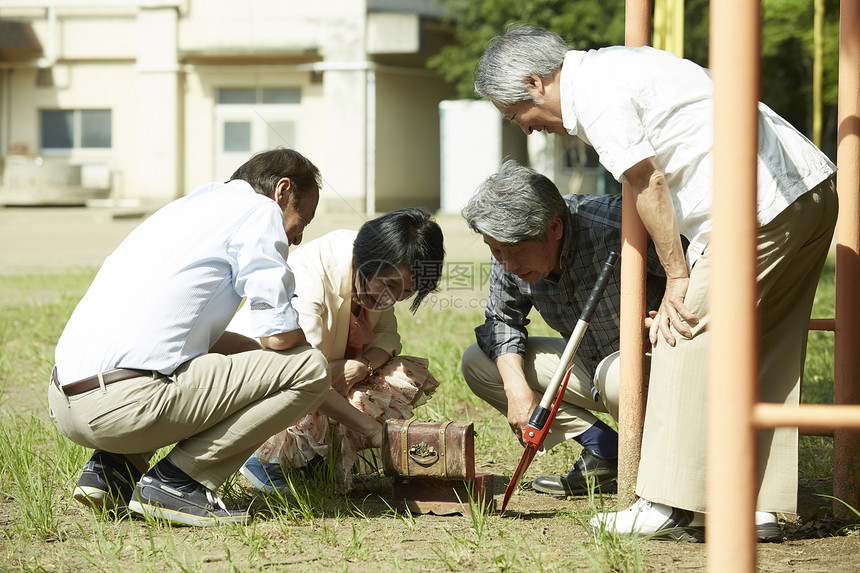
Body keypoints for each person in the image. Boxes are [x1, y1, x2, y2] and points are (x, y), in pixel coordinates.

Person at [474, 25, 838, 542]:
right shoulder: (620, 65)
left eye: (516, 115)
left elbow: (647, 180)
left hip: (753, 207)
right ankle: (752, 506)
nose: (528, 130)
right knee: (763, 351)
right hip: (806, 188)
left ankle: (668, 503)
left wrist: (678, 276)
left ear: (535, 84)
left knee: (683, 336)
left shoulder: (596, 93)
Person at [48, 148, 331, 527]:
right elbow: (279, 336)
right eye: (303, 220)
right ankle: (178, 484)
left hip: (66, 402)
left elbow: (180, 334)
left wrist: (257, 365)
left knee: (192, 360)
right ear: (281, 192)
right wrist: (302, 366)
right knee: (309, 368)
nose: (296, 238)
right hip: (120, 407)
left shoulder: (185, 209)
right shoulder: (259, 211)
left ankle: (112, 471)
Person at [461, 160, 673, 497]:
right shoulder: (507, 247)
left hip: (654, 367)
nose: (508, 264)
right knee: (478, 361)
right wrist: (517, 389)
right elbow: (502, 320)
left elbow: (700, 269)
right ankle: (605, 449)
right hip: (590, 368)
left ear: (554, 228)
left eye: (514, 251)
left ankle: (661, 478)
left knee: (620, 375)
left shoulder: (619, 222)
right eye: (495, 250)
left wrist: (669, 305)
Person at [229, 208, 446, 493]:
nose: (390, 298)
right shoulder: (310, 277)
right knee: (306, 386)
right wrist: (373, 431)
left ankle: (312, 459)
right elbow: (300, 373)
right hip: (265, 384)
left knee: (398, 374)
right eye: (389, 285)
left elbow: (388, 336)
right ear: (369, 260)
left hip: (324, 377)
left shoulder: (378, 269)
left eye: (406, 292)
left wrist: (364, 365)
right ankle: (263, 457)